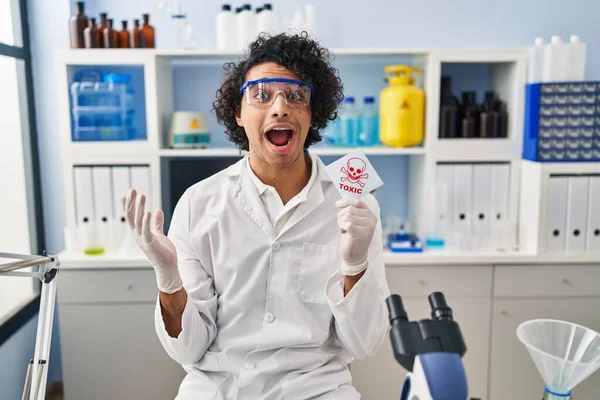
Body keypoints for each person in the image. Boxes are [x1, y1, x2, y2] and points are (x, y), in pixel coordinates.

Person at [122, 32, 390, 399]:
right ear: (238, 112)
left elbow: (365, 344)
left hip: (316, 390)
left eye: (296, 95)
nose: (280, 107)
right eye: (262, 96)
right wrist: (169, 280)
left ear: (314, 113)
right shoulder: (199, 204)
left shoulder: (355, 208)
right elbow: (187, 349)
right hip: (219, 388)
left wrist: (355, 266)